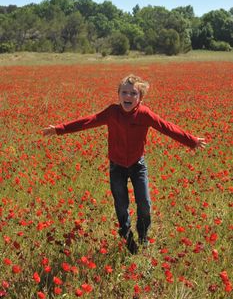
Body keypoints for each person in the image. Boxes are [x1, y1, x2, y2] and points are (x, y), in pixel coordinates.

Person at [43, 74, 206, 254]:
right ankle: (126, 234)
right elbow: (89, 120)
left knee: (144, 203)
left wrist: (191, 140)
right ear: (118, 95)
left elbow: (166, 126)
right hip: (117, 166)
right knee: (121, 204)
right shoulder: (112, 112)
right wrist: (60, 129)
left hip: (138, 165)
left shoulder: (145, 114)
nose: (128, 96)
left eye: (133, 93)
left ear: (140, 98)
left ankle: (143, 234)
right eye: (124, 92)